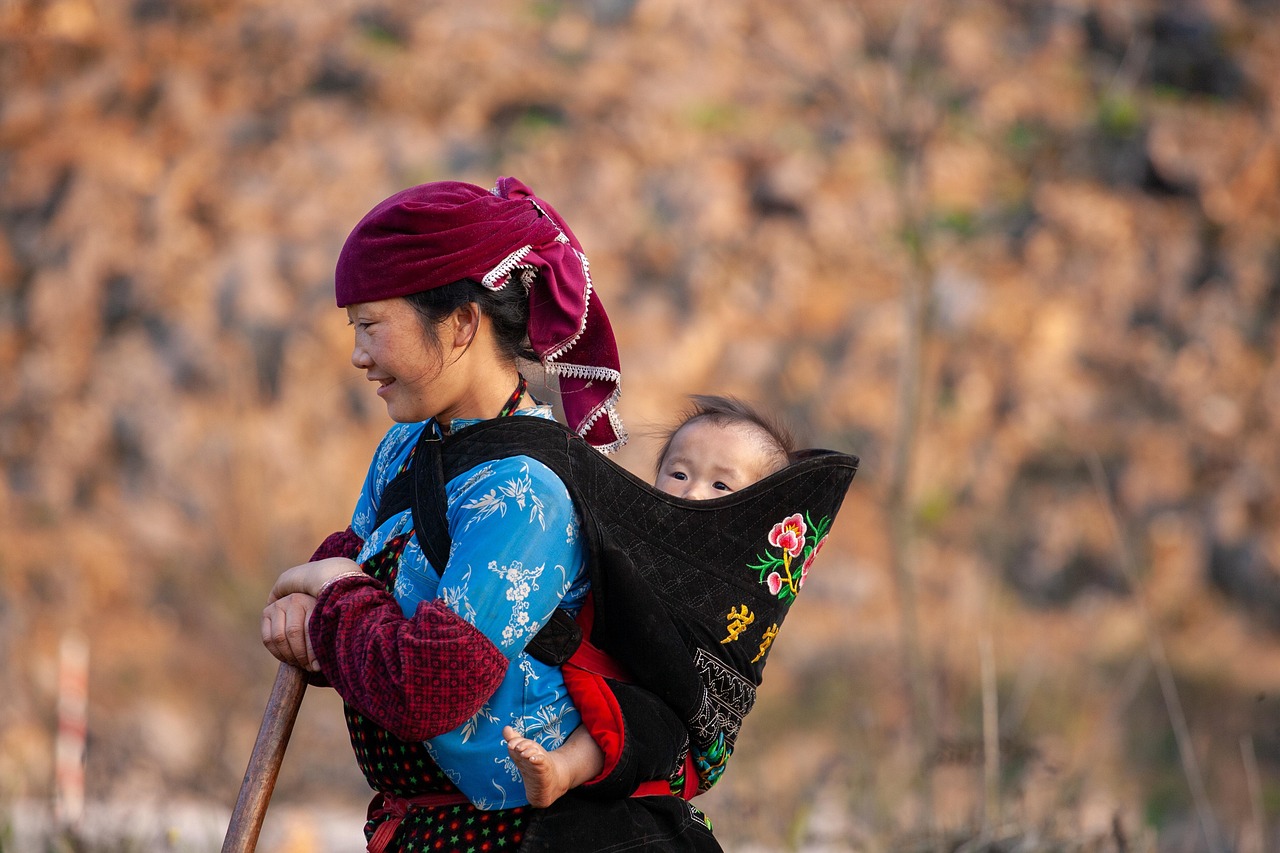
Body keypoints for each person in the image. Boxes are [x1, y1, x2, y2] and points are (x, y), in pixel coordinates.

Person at [260, 177, 719, 852]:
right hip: (426, 830)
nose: (358, 354)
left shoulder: (526, 492)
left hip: (530, 836)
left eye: (370, 325)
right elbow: (359, 575)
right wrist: (310, 610)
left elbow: (427, 687)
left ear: (462, 323)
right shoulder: (406, 449)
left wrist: (328, 596)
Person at [502, 394, 795, 807]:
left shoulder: (744, 586)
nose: (692, 493)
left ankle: (561, 770)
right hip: (584, 663)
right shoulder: (634, 538)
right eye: (678, 473)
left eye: (721, 484)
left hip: (670, 729)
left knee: (643, 720)